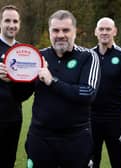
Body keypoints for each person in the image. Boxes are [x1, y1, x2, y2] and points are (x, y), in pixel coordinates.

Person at [25, 10, 100, 168]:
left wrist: (52, 81)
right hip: (40, 137)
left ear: (75, 32)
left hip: (75, 138)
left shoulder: (88, 57)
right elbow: (22, 94)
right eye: (55, 30)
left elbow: (88, 93)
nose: (60, 35)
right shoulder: (38, 57)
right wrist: (11, 80)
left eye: (65, 30)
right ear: (49, 32)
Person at [90, 17, 121, 168]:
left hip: (115, 119)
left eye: (108, 29)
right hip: (91, 118)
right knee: (90, 162)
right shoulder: (88, 56)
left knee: (117, 162)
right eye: (101, 29)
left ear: (115, 31)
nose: (104, 32)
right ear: (95, 32)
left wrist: (117, 103)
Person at [0, 5, 30, 168]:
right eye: (7, 20)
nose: (11, 25)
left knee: (8, 161)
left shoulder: (23, 52)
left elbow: (25, 93)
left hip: (13, 117)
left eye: (15, 21)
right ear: (0, 23)